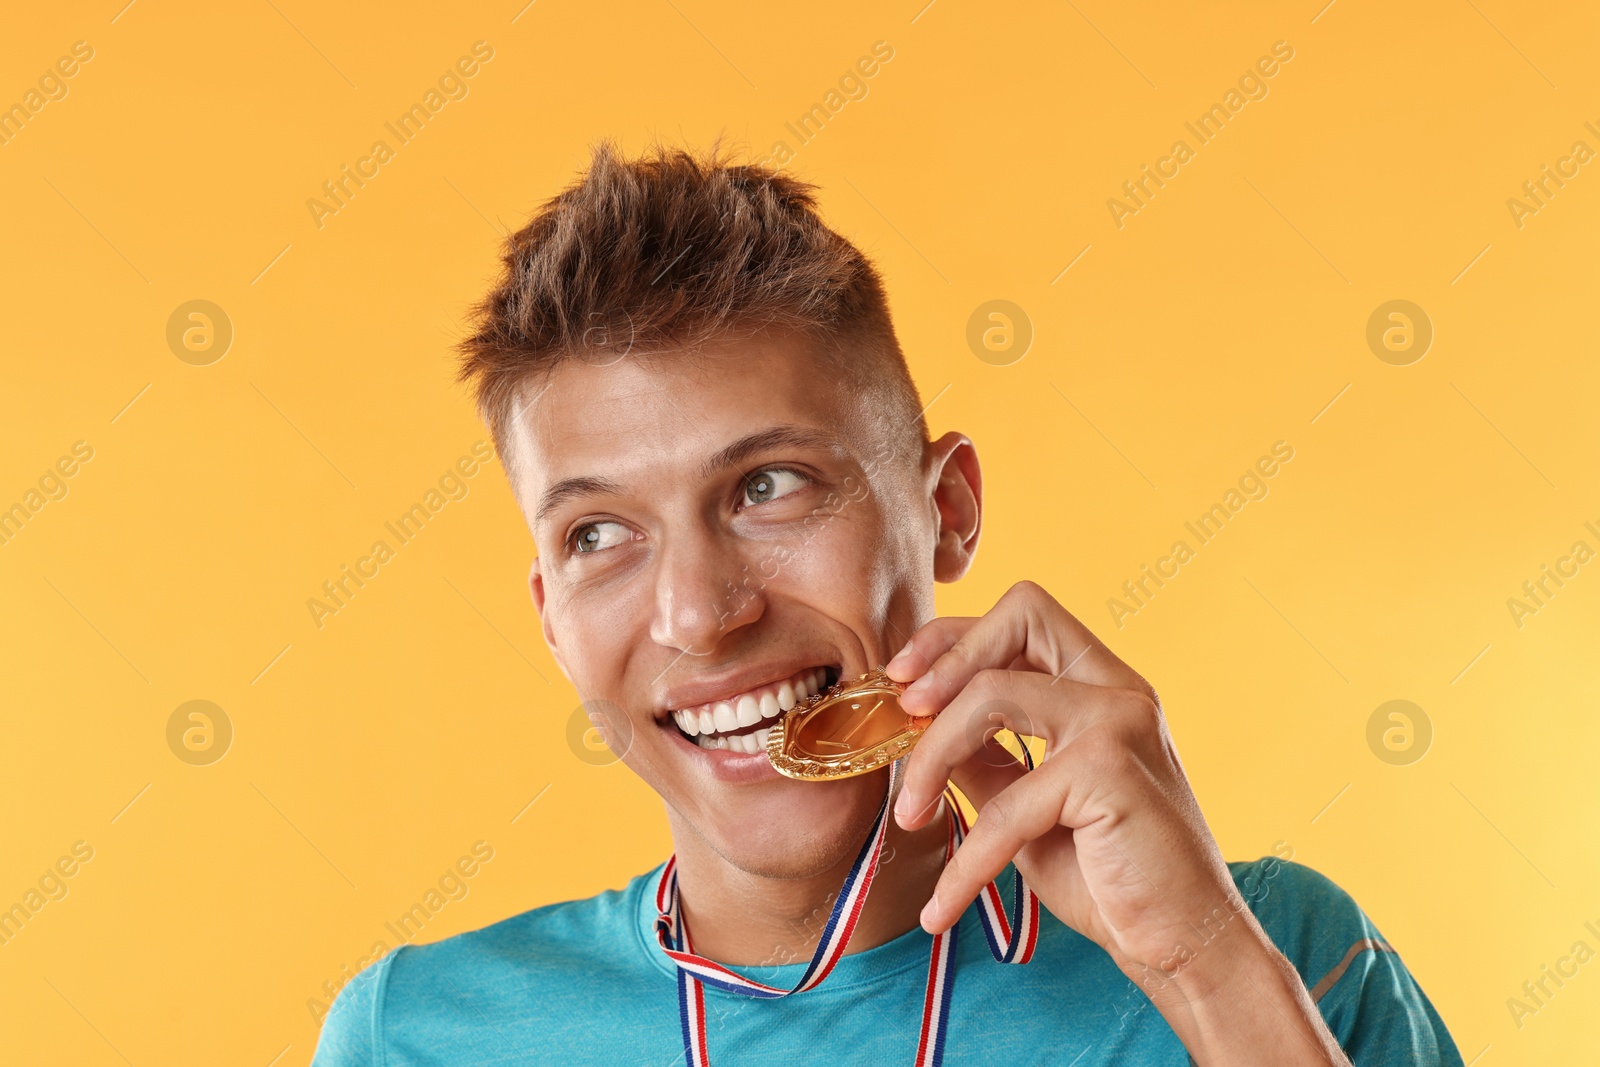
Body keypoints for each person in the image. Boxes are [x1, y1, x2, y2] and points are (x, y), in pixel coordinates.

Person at [310, 142, 1464, 1066]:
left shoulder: (1283, 953)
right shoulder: (413, 1034)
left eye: (768, 486)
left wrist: (1208, 968)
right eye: (597, 534)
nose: (700, 612)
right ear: (552, 616)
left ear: (947, 509)